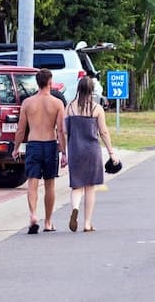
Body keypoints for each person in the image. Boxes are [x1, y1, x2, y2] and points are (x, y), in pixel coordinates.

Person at [13, 68, 67, 233]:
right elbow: (60, 130)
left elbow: (21, 130)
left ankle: (33, 215)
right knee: (50, 184)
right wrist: (64, 152)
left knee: (32, 182)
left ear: (37, 83)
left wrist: (16, 148)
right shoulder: (57, 103)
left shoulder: (27, 103)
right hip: (50, 144)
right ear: (50, 82)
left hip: (33, 144)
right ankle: (48, 222)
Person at [64, 75, 118, 232]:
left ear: (78, 89)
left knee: (76, 186)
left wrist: (64, 151)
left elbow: (65, 131)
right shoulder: (97, 109)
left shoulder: (69, 108)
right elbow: (103, 132)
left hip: (75, 150)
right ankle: (87, 223)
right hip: (92, 151)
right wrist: (111, 152)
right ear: (92, 91)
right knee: (90, 187)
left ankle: (75, 208)